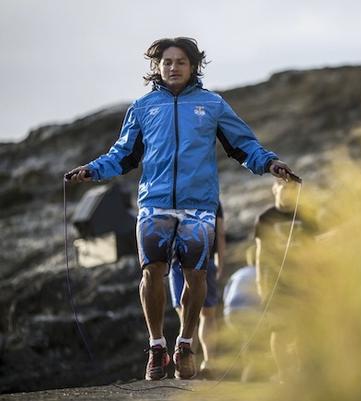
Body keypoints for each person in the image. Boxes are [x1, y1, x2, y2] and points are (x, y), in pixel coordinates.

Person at [65, 37, 297, 381]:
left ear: (193, 67)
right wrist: (93, 170)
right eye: (167, 62)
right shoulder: (143, 107)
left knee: (196, 276)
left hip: (199, 205)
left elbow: (243, 145)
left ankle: (185, 344)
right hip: (154, 204)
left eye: (181, 62)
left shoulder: (212, 104)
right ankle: (157, 346)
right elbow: (123, 154)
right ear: (157, 67)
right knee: (151, 272)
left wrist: (270, 163)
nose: (173, 67)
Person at [254, 179, 314, 383]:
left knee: (304, 331)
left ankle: (302, 374)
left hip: (303, 282)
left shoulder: (306, 216)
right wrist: (261, 286)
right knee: (279, 330)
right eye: (283, 186)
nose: (287, 191)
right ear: (274, 188)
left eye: (292, 188)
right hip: (276, 283)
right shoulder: (266, 218)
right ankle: (285, 375)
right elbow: (260, 255)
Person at [168, 202, 225, 379]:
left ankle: (189, 365)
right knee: (206, 315)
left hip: (180, 261)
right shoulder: (210, 195)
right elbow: (220, 233)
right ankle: (208, 363)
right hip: (199, 259)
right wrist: (220, 262)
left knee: (188, 316)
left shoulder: (172, 194)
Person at [222, 245, 263, 381]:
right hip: (250, 311)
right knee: (254, 340)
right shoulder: (260, 274)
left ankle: (246, 369)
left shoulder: (239, 273)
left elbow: (226, 294)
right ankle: (252, 371)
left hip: (231, 312)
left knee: (245, 339)